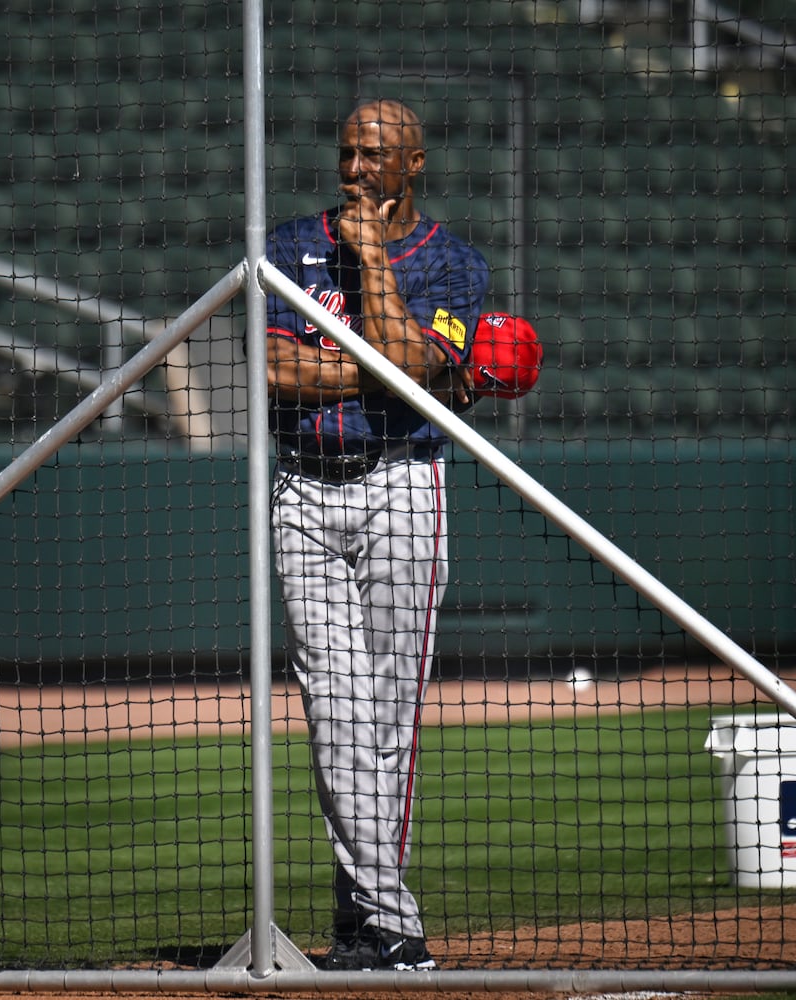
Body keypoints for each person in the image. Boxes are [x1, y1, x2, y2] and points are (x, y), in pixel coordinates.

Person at [263, 98, 491, 972]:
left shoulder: (455, 265)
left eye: (373, 156)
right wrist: (378, 370)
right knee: (335, 711)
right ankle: (393, 922)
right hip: (306, 490)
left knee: (390, 720)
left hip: (404, 482)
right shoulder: (289, 246)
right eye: (347, 152)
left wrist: (369, 268)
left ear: (414, 165)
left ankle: (361, 921)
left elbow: (415, 366)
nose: (354, 170)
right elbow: (278, 366)